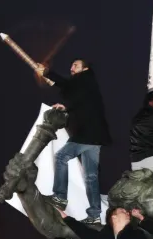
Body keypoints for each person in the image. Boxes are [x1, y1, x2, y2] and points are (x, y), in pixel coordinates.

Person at [37, 59, 112, 224]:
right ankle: (94, 215)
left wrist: (64, 104)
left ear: (85, 69)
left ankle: (60, 197)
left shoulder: (85, 80)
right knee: (91, 177)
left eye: (76, 65)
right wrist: (49, 75)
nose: (71, 68)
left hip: (87, 133)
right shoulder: (85, 83)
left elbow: (73, 91)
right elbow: (69, 86)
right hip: (95, 134)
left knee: (61, 157)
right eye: (71, 65)